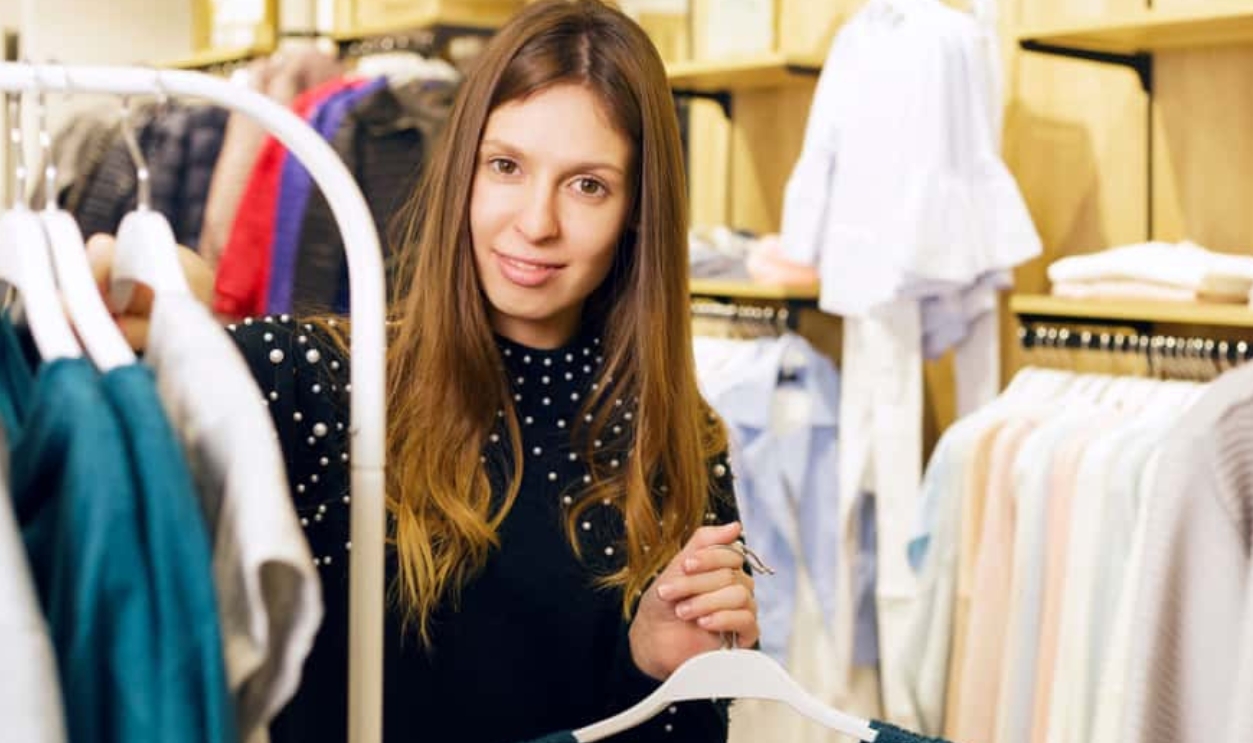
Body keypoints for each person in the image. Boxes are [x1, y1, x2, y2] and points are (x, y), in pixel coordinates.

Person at [91, 1, 759, 741]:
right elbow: (160, 364)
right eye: (505, 166)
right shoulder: (322, 382)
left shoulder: (676, 444)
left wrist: (651, 669)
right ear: (461, 170)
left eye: (587, 185)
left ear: (637, 209)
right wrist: (158, 293)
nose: (536, 221)